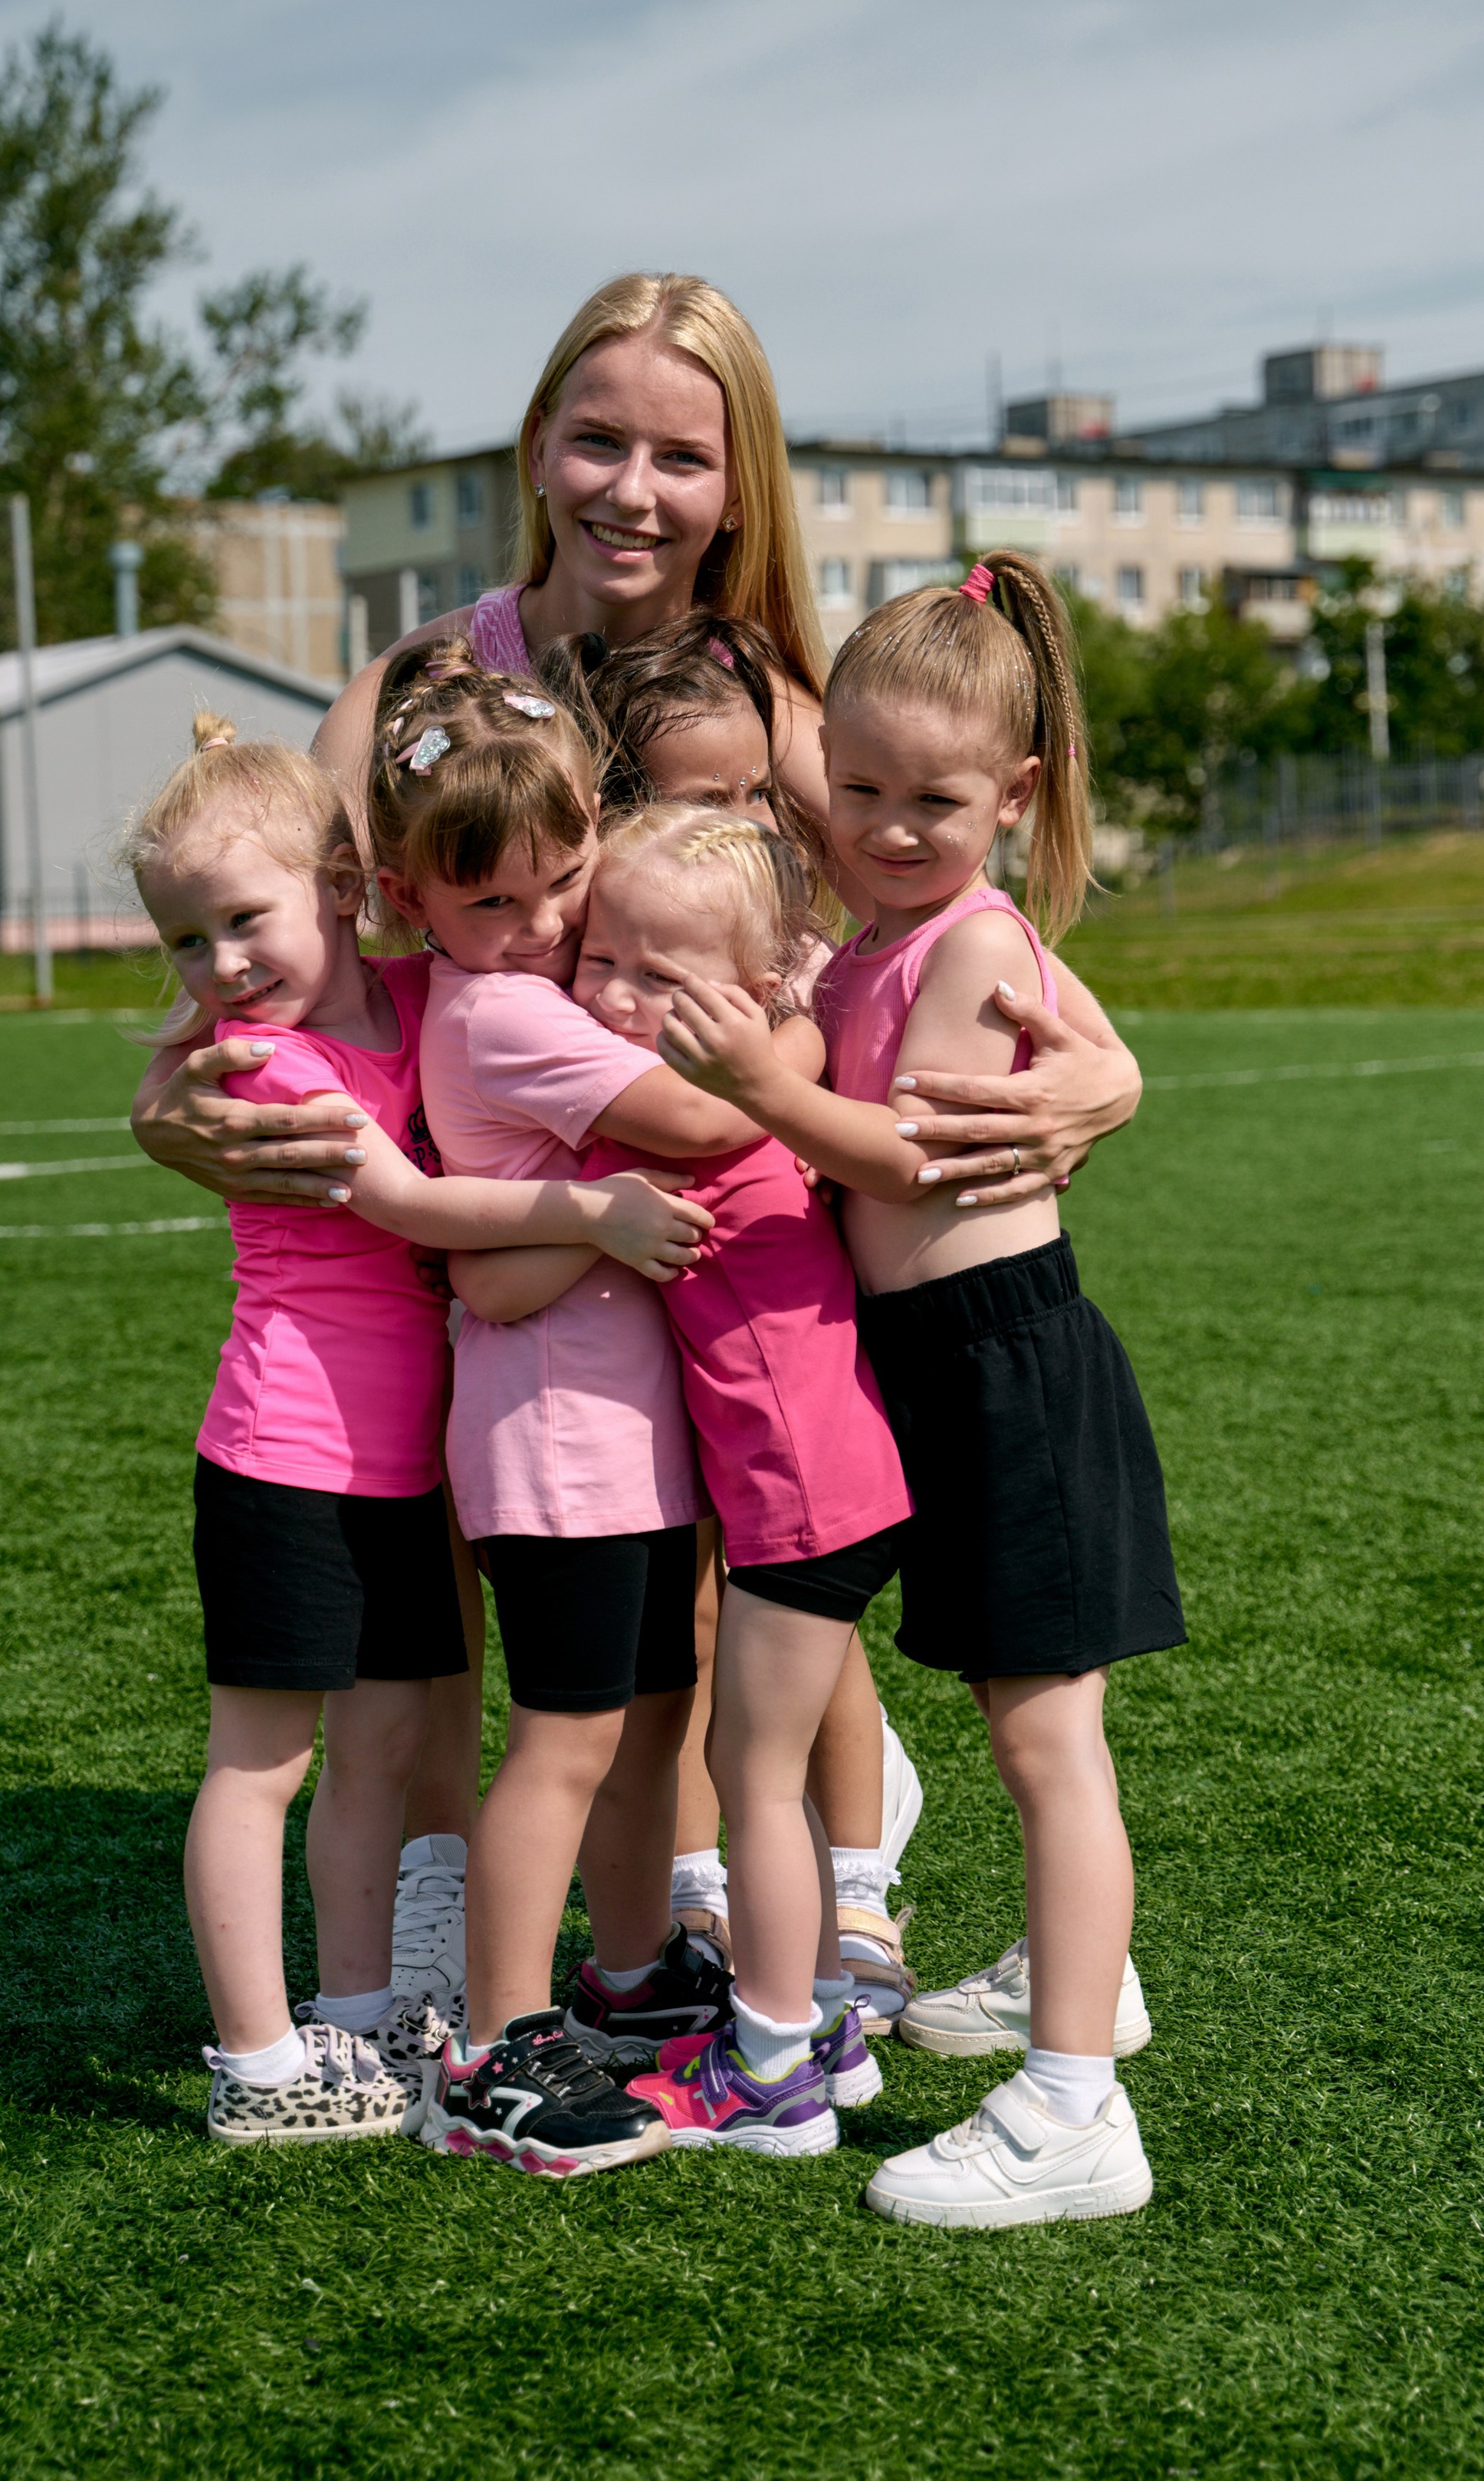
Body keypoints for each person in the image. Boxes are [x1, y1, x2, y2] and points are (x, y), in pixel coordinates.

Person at [129, 271, 1147, 2013]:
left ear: (735, 483)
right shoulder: (419, 685)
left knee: (754, 1550)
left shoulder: (768, 692)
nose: (630, 488)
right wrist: (170, 1103)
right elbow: (277, 945)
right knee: (492, 1567)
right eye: (594, 440)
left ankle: (820, 1890)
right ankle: (464, 1896)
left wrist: (1109, 1079)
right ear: (535, 449)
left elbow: (940, 899)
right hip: (506, 1209)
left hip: (735, 1205)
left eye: (679, 454)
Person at [660, 551, 1186, 2230]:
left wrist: (757, 1085)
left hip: (1009, 1365)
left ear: (1014, 796)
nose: (888, 825)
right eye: (860, 790)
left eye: (935, 799)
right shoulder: (878, 940)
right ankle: (1072, 2000)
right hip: (930, 1369)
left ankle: (1073, 2107)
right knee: (1009, 1721)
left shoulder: (971, 942)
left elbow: (899, 1155)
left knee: (1047, 1741)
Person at [123, 711, 713, 2147]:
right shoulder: (262, 1067)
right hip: (285, 1450)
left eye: (242, 923)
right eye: (187, 945)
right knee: (258, 1765)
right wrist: (593, 1211)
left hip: (399, 1465)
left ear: (343, 883)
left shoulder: (408, 991)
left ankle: (362, 2016)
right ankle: (260, 2060)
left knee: (382, 1751)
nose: (222, 969)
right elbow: (407, 1203)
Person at [452, 803, 911, 2155]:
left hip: (795, 1494)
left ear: (753, 996)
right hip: (820, 1483)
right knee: (735, 1761)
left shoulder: (696, 1126)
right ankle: (793, 2017)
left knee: (751, 1774)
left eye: (663, 976)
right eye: (606, 958)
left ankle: (773, 2058)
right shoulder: (736, 1102)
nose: (616, 995)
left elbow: (497, 1279)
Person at [543, 607, 925, 2010]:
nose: (760, 820)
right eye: (713, 798)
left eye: (763, 790)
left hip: (802, 1404)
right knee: (706, 1641)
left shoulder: (767, 981)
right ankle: (726, 1909)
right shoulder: (616, 961)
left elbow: (757, 1097)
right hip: (703, 1387)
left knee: (801, 1662)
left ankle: (855, 1905)